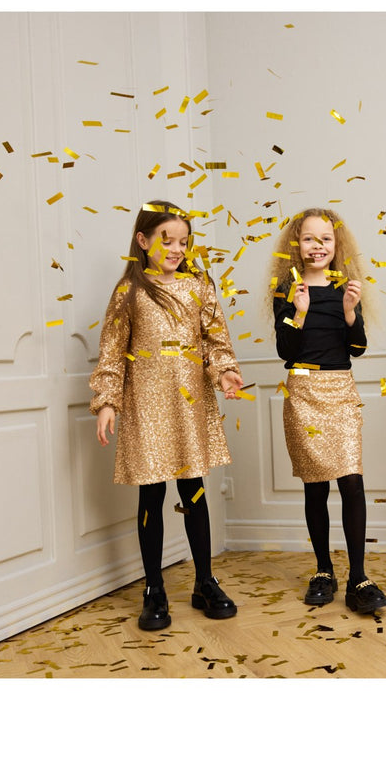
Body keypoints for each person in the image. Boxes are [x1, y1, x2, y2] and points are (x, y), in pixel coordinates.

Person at [90, 199, 245, 631]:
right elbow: (112, 351)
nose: (177, 249)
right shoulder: (130, 292)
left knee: (193, 490)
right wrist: (107, 401)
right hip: (146, 405)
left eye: (183, 242)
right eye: (167, 240)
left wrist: (224, 373)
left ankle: (204, 581)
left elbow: (215, 340)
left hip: (189, 404)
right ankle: (154, 589)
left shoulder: (199, 286)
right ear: (143, 240)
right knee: (152, 495)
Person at [268, 208, 386, 615]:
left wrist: (351, 311)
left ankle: (359, 577)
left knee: (351, 482)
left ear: (337, 245)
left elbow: (357, 349)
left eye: (325, 239)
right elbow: (285, 349)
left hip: (340, 390)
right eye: (308, 238)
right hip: (303, 391)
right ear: (296, 244)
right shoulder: (286, 288)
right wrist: (299, 311)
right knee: (315, 486)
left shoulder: (344, 288)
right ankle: (323, 570)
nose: (317, 246)